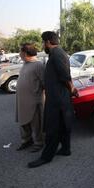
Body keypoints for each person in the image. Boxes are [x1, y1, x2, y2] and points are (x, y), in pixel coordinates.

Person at [28, 31, 78, 168]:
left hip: (57, 98)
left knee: (52, 128)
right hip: (60, 97)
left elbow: (65, 75)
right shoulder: (58, 53)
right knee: (63, 124)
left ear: (48, 42)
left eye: (43, 42)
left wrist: (72, 89)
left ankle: (46, 157)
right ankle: (66, 149)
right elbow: (65, 74)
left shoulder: (56, 54)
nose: (43, 45)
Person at [16, 43, 45, 152]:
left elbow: (44, 83)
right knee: (23, 122)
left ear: (25, 53)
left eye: (20, 52)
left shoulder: (38, 65)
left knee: (36, 123)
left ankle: (38, 143)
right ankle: (26, 140)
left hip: (34, 101)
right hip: (22, 101)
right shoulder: (25, 63)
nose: (19, 54)